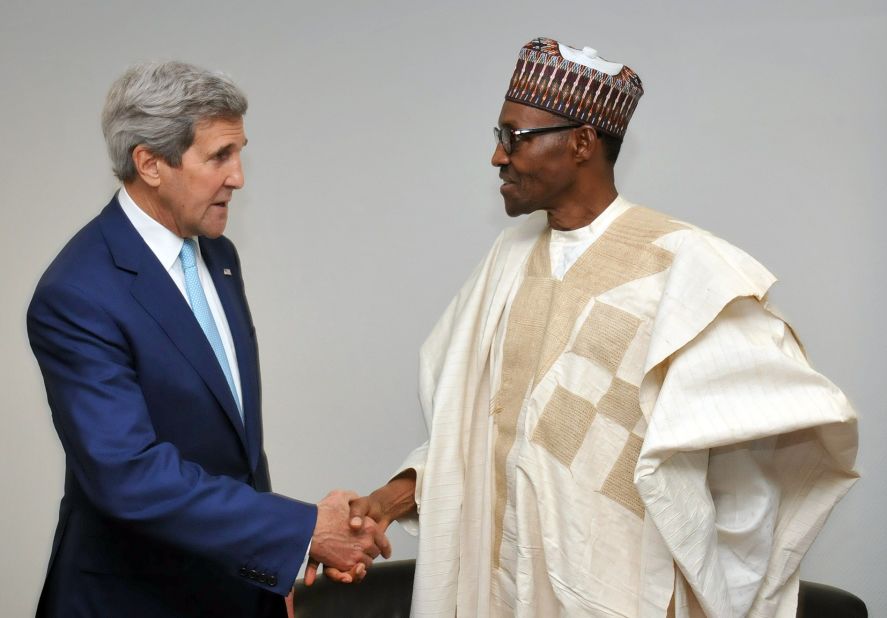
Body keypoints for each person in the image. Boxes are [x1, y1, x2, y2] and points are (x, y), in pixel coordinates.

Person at [319, 38, 859, 617]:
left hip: (616, 587)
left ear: (581, 143)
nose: (498, 157)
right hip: (499, 586)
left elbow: (779, 433)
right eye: (498, 137)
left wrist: (713, 545)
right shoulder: (508, 260)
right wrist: (390, 499)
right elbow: (476, 429)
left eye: (515, 137)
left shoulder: (682, 266)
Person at [27, 61, 387, 617]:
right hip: (134, 601)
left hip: (236, 588)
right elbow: (130, 476)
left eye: (239, 152)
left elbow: (228, 448)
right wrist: (304, 529)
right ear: (149, 163)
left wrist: (273, 568)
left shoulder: (216, 254)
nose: (239, 176)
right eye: (220, 156)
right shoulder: (77, 293)